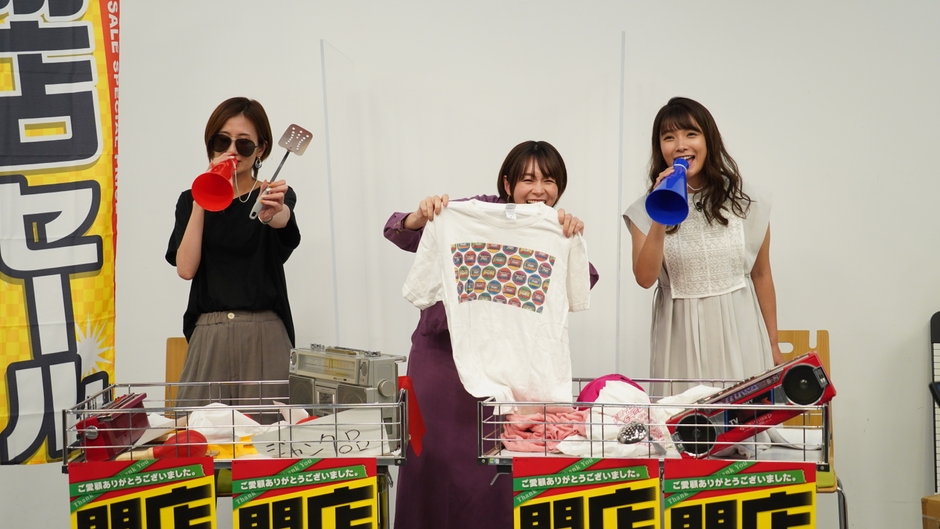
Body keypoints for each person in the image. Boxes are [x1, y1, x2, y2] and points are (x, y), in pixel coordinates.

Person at [384, 140, 598, 529]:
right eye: (528, 179)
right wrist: (421, 215)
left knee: (495, 469)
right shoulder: (467, 214)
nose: (539, 190)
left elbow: (582, 281)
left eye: (549, 181)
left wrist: (569, 241)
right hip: (442, 362)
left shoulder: (553, 228)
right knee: (431, 463)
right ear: (507, 182)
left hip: (507, 366)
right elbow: (396, 230)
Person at [623, 97, 782, 393]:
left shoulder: (747, 202)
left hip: (741, 332)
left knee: (743, 417)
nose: (680, 145)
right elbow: (644, 278)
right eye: (669, 137)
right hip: (678, 340)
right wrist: (661, 209)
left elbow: (761, 274)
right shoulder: (644, 210)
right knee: (686, 420)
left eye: (691, 134)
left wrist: (773, 344)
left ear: (709, 140)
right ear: (660, 148)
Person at [166, 97, 300, 409]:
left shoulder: (272, 195)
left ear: (261, 149)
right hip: (208, 332)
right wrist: (204, 195)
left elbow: (282, 220)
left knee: (269, 432)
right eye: (222, 141)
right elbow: (186, 269)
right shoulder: (189, 200)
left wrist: (274, 212)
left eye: (244, 144)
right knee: (199, 430)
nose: (232, 151)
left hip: (264, 332)